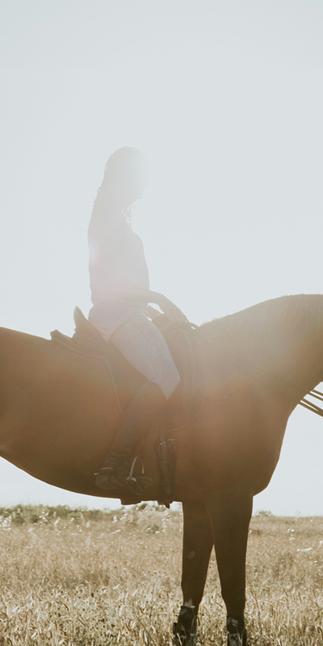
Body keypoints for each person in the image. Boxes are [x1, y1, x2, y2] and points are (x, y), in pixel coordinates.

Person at [88, 147, 190, 496]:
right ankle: (115, 464)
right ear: (123, 178)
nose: (145, 186)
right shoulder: (108, 219)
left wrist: (154, 311)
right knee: (167, 375)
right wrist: (158, 299)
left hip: (132, 311)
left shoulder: (115, 217)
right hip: (117, 313)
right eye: (140, 178)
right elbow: (111, 283)